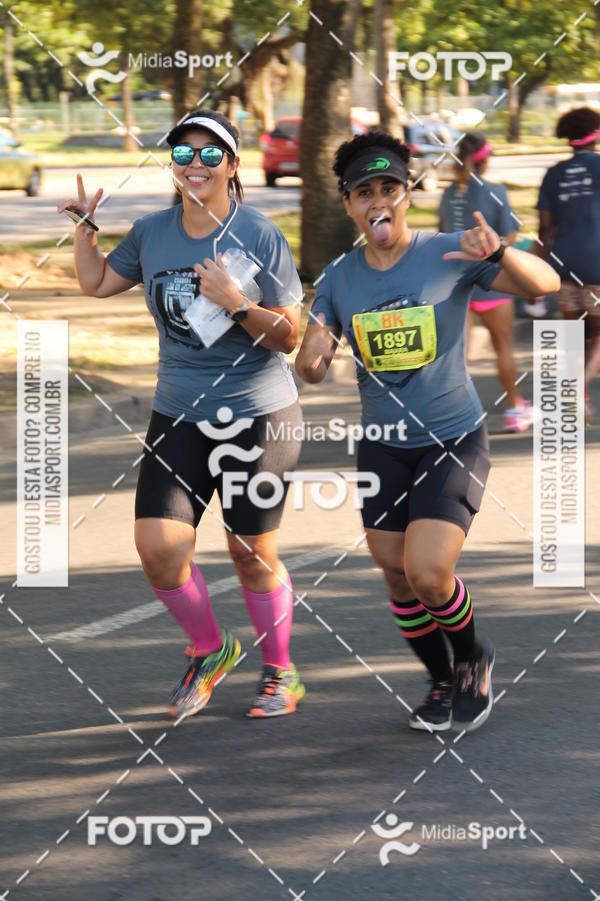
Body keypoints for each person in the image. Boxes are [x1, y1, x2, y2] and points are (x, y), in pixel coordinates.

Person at [295, 132, 559, 733]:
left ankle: (472, 659)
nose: (378, 200)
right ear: (349, 205)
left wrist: (498, 254)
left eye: (389, 187)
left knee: (430, 574)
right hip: (382, 444)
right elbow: (312, 357)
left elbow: (542, 286)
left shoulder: (449, 250)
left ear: (407, 193)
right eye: (364, 192)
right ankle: (440, 681)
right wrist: (311, 359)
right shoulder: (338, 278)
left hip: (452, 438)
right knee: (395, 571)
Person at [58, 110, 306, 719]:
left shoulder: (259, 233)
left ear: (233, 164)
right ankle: (211, 650)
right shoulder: (151, 231)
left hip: (259, 413)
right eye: (183, 153)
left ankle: (281, 671)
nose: (196, 164)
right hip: (179, 413)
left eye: (210, 153)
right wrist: (86, 233)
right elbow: (95, 285)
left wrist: (238, 303)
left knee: (251, 555)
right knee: (159, 548)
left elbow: (289, 336)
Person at [439, 131, 533, 433]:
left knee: (456, 355)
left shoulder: (447, 194)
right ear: (486, 158)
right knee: (502, 348)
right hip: (492, 282)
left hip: (454, 285)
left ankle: (452, 416)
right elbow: (511, 238)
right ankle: (514, 409)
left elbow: (443, 236)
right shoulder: (496, 191)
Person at [537, 106, 600, 423]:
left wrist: (539, 271)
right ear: (596, 134)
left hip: (562, 267)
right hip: (597, 265)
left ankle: (579, 401)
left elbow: (545, 229)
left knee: (573, 335)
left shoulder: (553, 174)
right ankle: (579, 387)